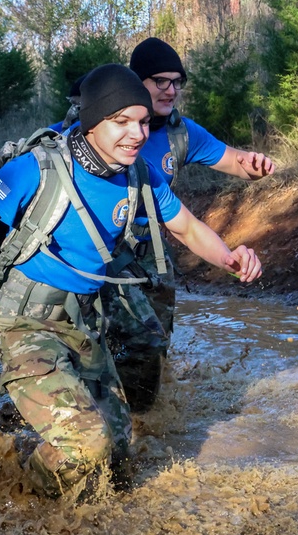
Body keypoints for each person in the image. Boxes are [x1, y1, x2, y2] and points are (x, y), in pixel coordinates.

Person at [0, 64, 262, 499]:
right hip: (22, 324)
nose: (138, 134)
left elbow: (186, 228)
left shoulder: (138, 175)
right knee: (86, 446)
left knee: (119, 456)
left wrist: (229, 257)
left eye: (144, 122)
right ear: (92, 123)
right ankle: (16, 497)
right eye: (122, 121)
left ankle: (70, 506)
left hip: (82, 323)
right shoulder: (36, 171)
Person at [104, 37, 276, 411]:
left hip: (152, 248)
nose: (171, 90)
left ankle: (142, 420)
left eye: (177, 82)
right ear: (136, 82)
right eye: (160, 81)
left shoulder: (181, 133)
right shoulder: (98, 126)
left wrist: (255, 165)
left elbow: (232, 162)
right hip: (95, 243)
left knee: (152, 343)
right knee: (98, 338)